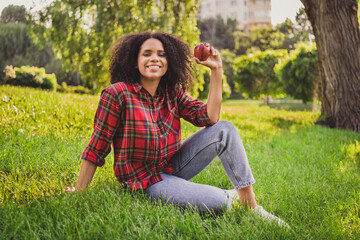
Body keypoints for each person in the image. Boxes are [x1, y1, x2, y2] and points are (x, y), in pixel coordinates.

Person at [74, 31, 289, 228]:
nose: (154, 58)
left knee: (225, 129)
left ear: (170, 61)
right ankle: (229, 196)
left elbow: (210, 117)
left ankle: (251, 207)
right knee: (218, 203)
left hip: (171, 166)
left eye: (161, 54)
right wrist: (79, 193)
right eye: (146, 54)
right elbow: (96, 148)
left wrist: (217, 70)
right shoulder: (117, 94)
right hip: (144, 181)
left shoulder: (172, 92)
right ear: (134, 61)